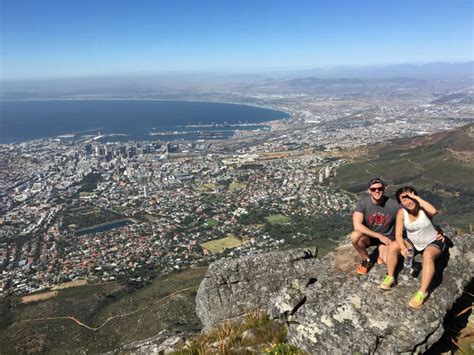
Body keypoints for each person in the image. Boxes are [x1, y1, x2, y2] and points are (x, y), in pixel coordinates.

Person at [379, 186, 446, 309]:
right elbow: (398, 235)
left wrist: (415, 197)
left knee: (428, 256)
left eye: (409, 197)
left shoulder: (423, 209)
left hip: (432, 240)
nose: (408, 201)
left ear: (415, 196)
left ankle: (422, 292)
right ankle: (390, 277)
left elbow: (434, 211)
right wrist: (403, 248)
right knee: (393, 246)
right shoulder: (402, 213)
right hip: (413, 242)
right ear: (400, 203)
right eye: (403, 199)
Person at [351, 178, 399, 274]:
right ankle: (366, 260)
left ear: (384, 189)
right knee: (355, 236)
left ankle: (380, 256)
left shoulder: (394, 205)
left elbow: (410, 216)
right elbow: (357, 225)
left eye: (379, 189)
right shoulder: (363, 203)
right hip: (371, 236)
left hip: (387, 237)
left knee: (386, 260)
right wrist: (379, 236)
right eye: (373, 189)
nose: (377, 191)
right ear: (369, 191)